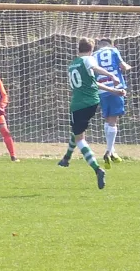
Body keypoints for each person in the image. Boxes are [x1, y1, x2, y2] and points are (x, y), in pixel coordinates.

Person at [57, 39, 126, 189]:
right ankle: (66, 158)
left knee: (80, 139)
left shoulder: (74, 64)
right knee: (77, 132)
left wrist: (110, 76)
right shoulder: (88, 60)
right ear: (91, 48)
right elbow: (93, 82)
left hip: (79, 104)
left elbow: (95, 68)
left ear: (78, 48)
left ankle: (97, 169)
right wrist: (113, 89)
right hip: (93, 102)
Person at [92, 38, 131, 168]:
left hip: (102, 88)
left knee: (108, 119)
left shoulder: (94, 54)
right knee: (114, 120)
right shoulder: (114, 51)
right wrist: (129, 66)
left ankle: (112, 149)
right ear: (111, 44)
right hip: (115, 87)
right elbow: (123, 66)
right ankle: (108, 152)